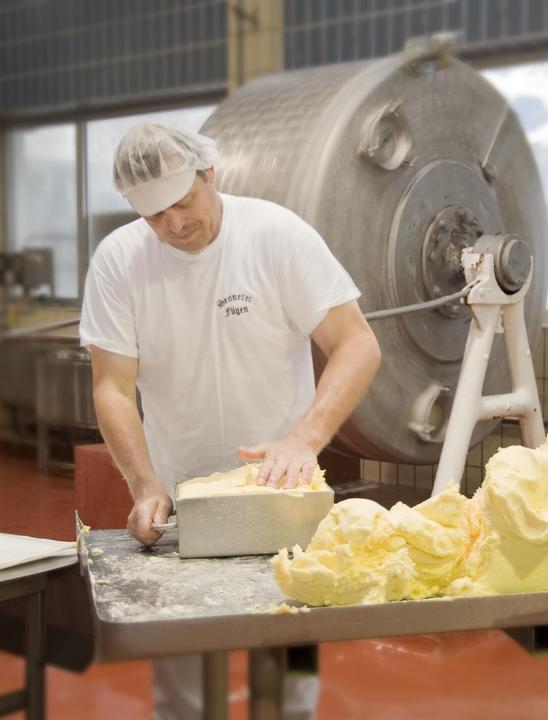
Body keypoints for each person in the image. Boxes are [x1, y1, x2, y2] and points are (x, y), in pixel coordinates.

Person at [79, 121, 381, 719]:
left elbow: (356, 344)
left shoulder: (273, 235)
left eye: (183, 204)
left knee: (290, 669)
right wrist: (143, 485)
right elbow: (113, 386)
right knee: (186, 679)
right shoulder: (120, 261)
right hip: (181, 497)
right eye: (153, 216)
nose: (172, 225)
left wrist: (304, 439)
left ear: (209, 175)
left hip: (281, 490)